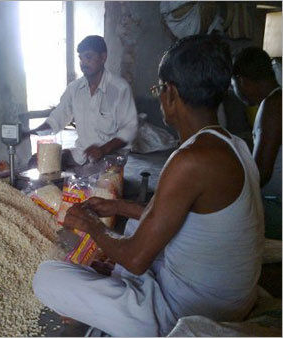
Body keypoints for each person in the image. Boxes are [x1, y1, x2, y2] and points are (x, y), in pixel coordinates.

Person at [33, 35, 264, 336]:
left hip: (188, 311)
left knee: (47, 277)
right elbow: (172, 214)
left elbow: (136, 260)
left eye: (158, 89)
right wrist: (117, 206)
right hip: (228, 297)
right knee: (130, 227)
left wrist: (93, 225)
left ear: (170, 93)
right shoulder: (234, 145)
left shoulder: (192, 161)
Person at [27, 35, 138, 168]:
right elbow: (58, 117)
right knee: (37, 161)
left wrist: (102, 150)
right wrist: (31, 132)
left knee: (89, 185)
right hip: (82, 154)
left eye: (89, 57)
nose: (83, 63)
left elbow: (129, 129)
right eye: (81, 58)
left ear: (103, 57)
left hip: (110, 157)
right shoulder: (74, 88)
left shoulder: (119, 89)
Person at [231, 47, 282, 240]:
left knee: (221, 213)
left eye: (232, 84)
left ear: (241, 80)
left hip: (277, 207)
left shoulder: (273, 106)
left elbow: (260, 174)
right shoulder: (277, 99)